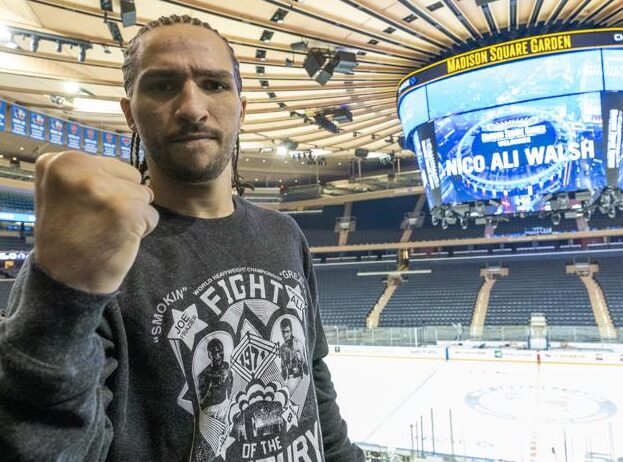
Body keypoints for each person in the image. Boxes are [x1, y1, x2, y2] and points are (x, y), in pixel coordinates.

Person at [0, 14, 363, 462]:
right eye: (162, 85)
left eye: (214, 84)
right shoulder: (98, 258)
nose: (192, 108)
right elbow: (47, 450)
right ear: (130, 113)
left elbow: (311, 377)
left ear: (241, 108)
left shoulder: (283, 233)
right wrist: (59, 294)